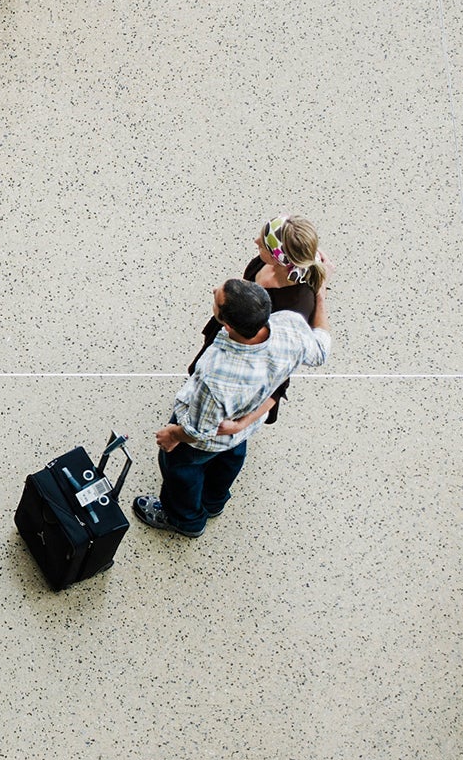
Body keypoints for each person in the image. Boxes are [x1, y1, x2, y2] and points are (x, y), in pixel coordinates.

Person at [134, 277, 331, 538]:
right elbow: (321, 349)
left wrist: (172, 435)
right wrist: (320, 297)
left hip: (207, 440)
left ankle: (186, 520)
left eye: (217, 298)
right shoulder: (291, 327)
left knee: (181, 470)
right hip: (242, 429)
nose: (214, 289)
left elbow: (200, 431)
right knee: (230, 460)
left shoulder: (216, 374)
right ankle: (214, 503)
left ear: (226, 323)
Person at [189, 214, 332, 431]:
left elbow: (279, 375)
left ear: (278, 258)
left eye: (263, 244)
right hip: (231, 333)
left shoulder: (296, 307)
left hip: (245, 365)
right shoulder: (264, 263)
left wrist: (239, 426)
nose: (255, 242)